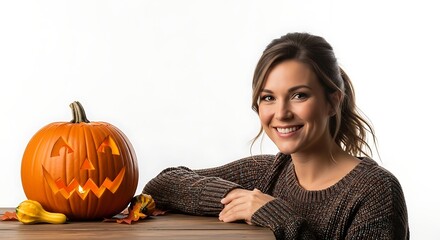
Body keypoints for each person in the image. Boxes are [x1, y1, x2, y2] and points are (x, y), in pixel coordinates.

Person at [143, 32, 409, 239]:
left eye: (299, 95)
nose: (281, 113)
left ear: (332, 102)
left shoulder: (375, 191)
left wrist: (279, 218)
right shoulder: (267, 173)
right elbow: (162, 186)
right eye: (268, 98)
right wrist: (239, 199)